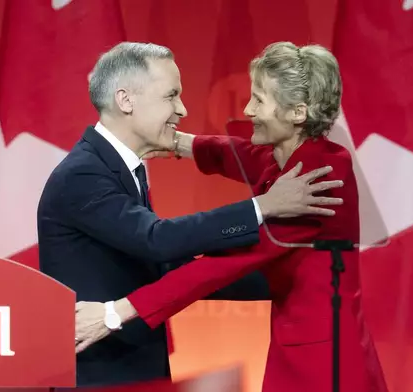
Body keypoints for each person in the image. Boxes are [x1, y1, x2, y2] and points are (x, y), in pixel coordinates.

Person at [73, 42, 388, 391]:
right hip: (295, 341)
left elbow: (224, 266)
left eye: (260, 100)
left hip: (326, 362)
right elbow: (234, 153)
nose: (248, 109)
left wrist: (118, 313)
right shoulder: (285, 155)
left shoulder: (318, 179)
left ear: (297, 113)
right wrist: (174, 142)